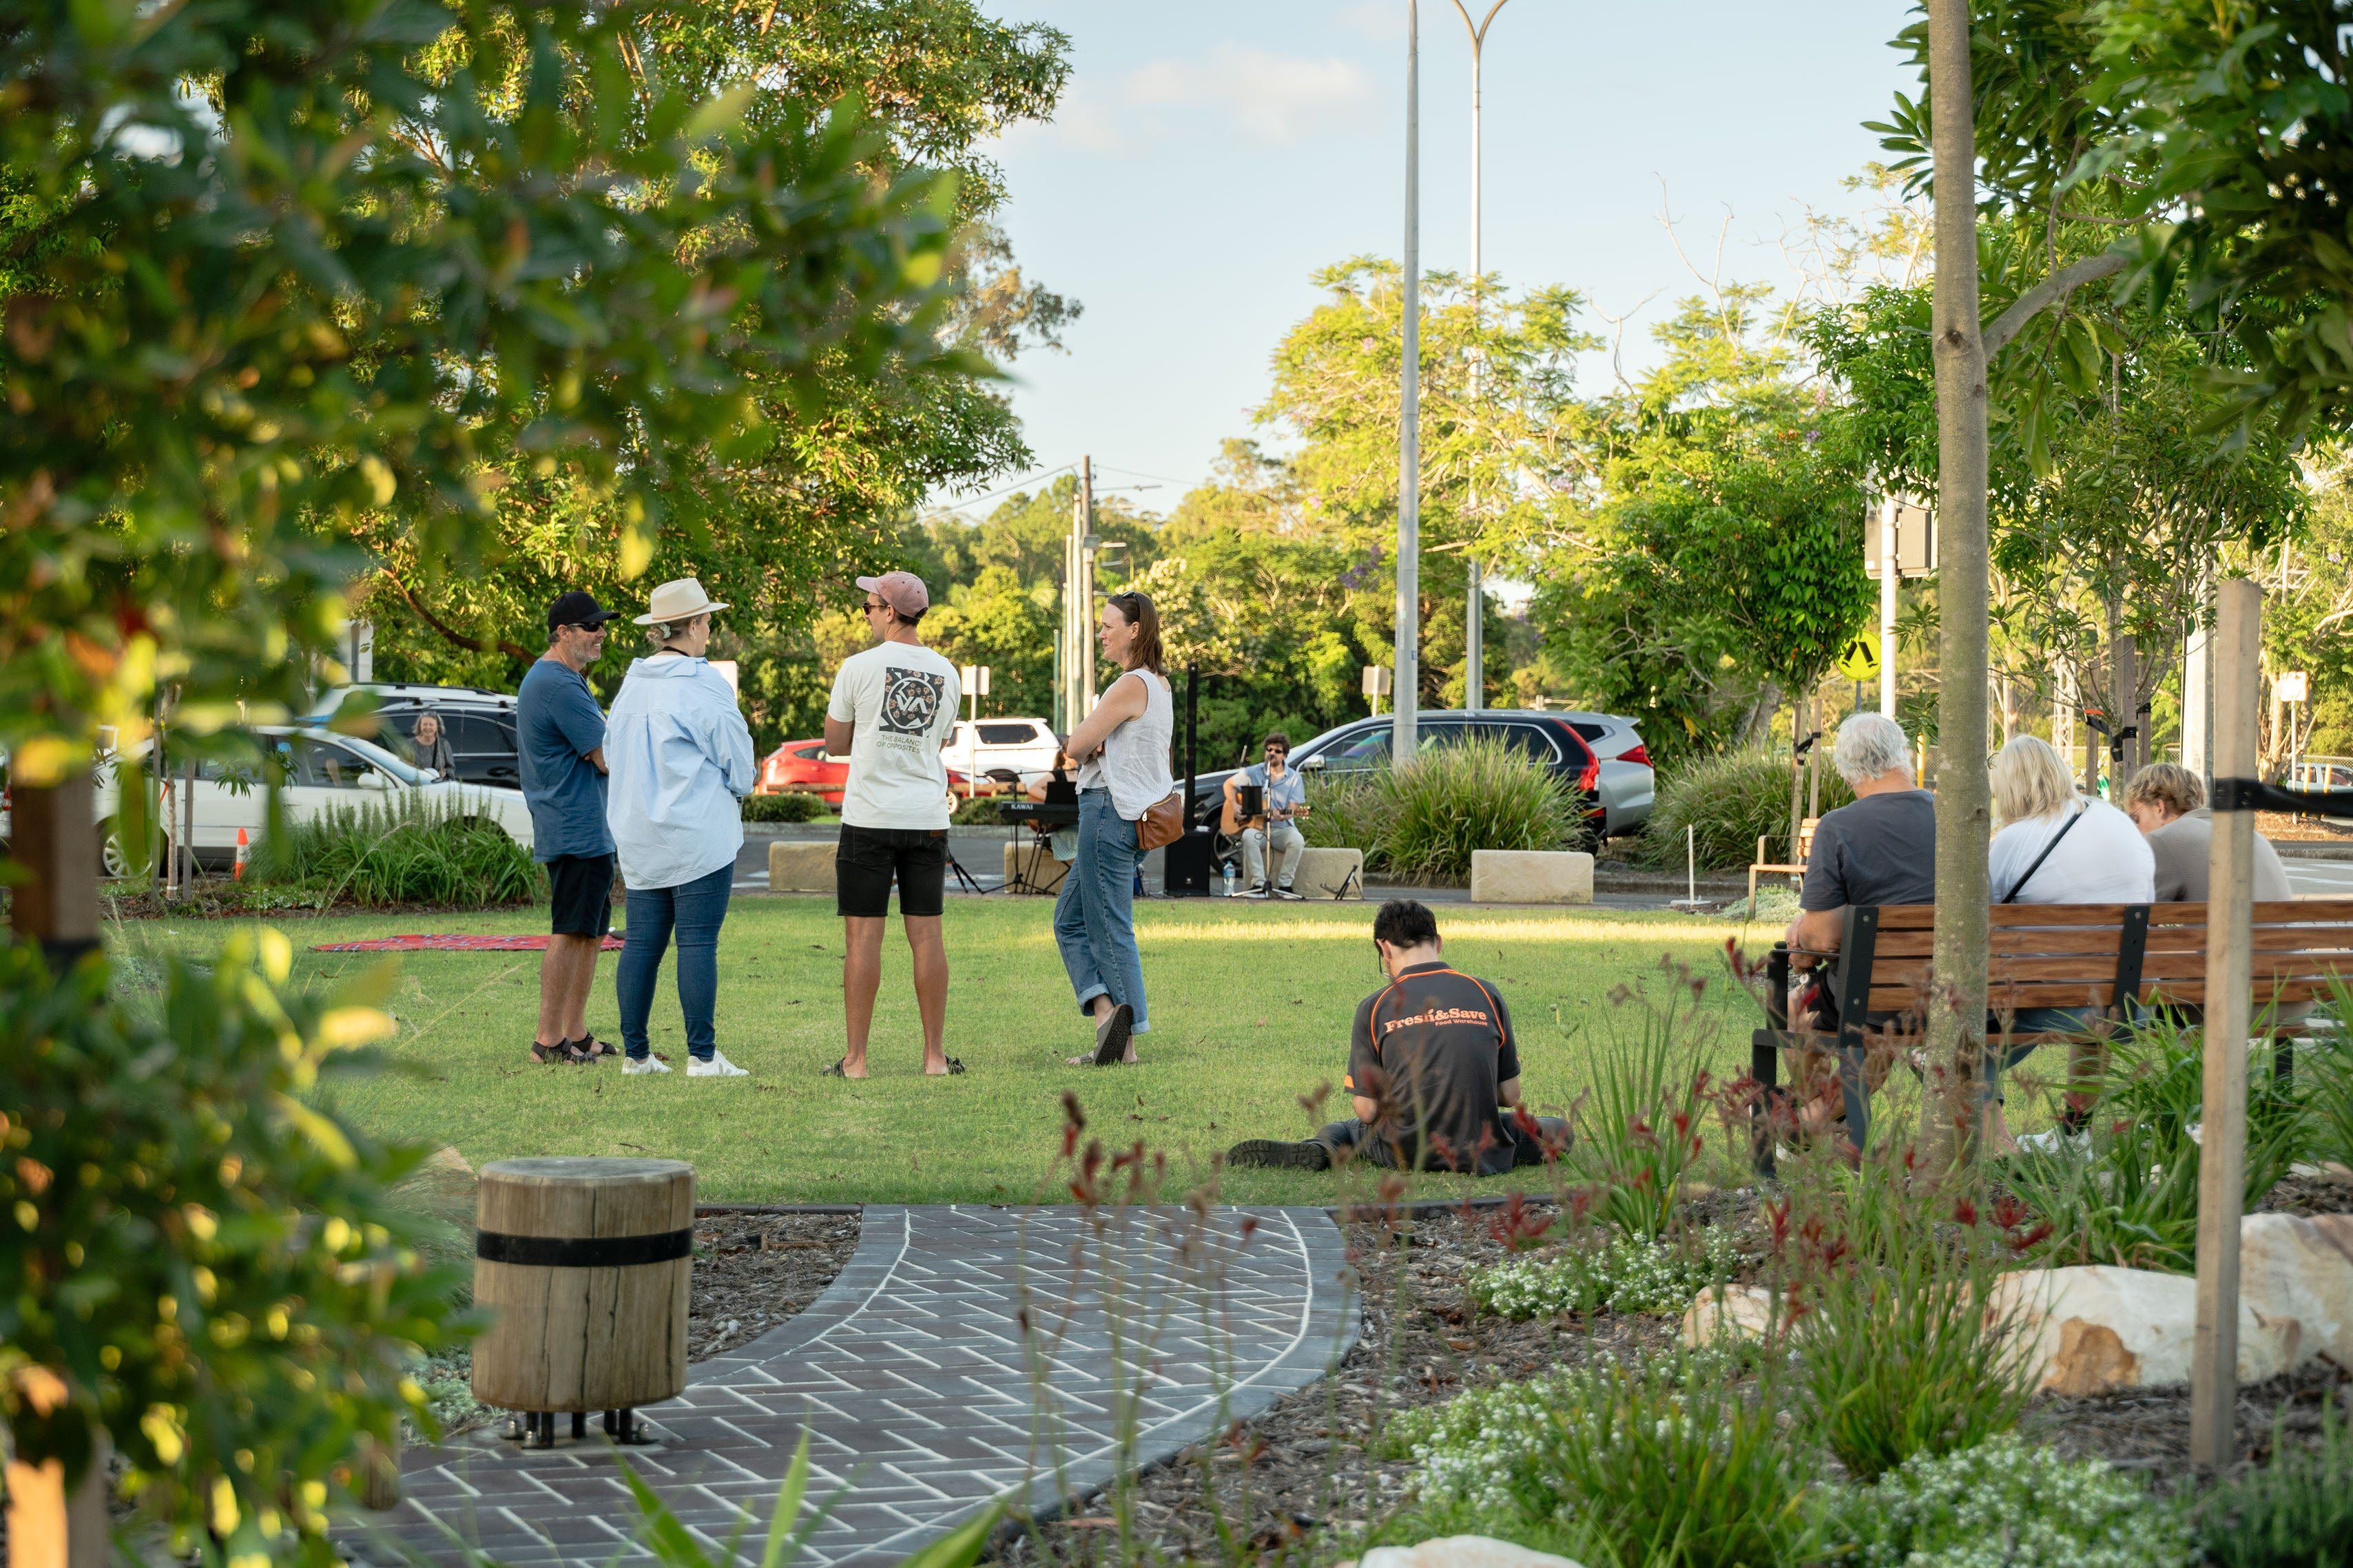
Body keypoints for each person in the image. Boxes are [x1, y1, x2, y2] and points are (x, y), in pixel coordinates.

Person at [1225, 899, 1566, 1173]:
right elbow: (1510, 1093)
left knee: (1347, 1130)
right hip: (1481, 1147)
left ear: (1385, 949)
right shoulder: (1485, 992)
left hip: (1404, 1150)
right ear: (1438, 943)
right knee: (1556, 1127)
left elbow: (1368, 1111)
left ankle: (1320, 1149)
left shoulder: (1374, 1006)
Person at [605, 577, 757, 1078]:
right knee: (697, 941)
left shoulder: (632, 684)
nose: (711, 628)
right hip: (696, 830)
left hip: (639, 830)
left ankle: (636, 1054)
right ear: (691, 625)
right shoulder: (702, 681)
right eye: (707, 620)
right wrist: (739, 786)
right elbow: (737, 758)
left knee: (642, 943)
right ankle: (703, 1055)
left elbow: (612, 753)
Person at [1980, 735, 2157, 1147]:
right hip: (2130, 1002)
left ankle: (1999, 1148)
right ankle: (2075, 1137)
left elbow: (1983, 928)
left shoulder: (2010, 841)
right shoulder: (2115, 819)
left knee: (1967, 1031)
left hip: (2068, 1002)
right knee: (2089, 988)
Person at [824, 570, 962, 1079]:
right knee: (927, 938)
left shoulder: (858, 667)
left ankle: (856, 1061)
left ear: (888, 611)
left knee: (863, 940)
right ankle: (934, 1058)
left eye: (867, 606)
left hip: (869, 816)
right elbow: (940, 741)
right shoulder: (948, 671)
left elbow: (836, 744)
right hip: (926, 816)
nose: (865, 613)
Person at [1779, 711, 1937, 1135]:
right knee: (1873, 1037)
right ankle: (1817, 1121)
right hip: (1953, 992)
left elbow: (1824, 939)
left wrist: (1800, 935)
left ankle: (1809, 1123)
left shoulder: (1839, 827)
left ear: (1847, 770)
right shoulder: (1954, 818)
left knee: (1800, 1009)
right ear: (1904, 754)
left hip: (1874, 999)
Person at [1057, 589, 1173, 1067]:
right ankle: (1108, 1016)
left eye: (1108, 625)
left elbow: (1076, 744)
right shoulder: (1160, 685)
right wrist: (1095, 743)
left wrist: (1088, 741)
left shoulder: (1128, 684)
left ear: (1135, 630)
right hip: (1135, 816)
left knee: (1110, 928)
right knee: (1069, 920)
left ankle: (1123, 1045)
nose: (1101, 632)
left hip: (1107, 813)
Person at [517, 590, 622, 1065]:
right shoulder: (557, 683)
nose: (602, 633)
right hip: (575, 825)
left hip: (584, 827)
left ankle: (575, 1033)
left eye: (603, 624)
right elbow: (605, 758)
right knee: (569, 930)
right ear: (563, 632)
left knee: (589, 932)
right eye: (592, 626)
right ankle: (547, 1038)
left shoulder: (563, 677)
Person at [2124, 762, 2292, 903]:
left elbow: (2138, 919)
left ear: (2159, 808)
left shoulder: (2161, 839)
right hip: (2287, 941)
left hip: (2233, 943)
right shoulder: (2248, 834)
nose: (2136, 830)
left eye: (2136, 818)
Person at [1226, 731, 1310, 899]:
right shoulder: (1254, 772)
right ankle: (1259, 885)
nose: (1272, 753)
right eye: (1269, 749)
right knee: (1249, 836)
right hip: (1259, 827)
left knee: (1297, 841)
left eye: (1277, 751)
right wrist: (1235, 806)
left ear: (1285, 755)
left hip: (1282, 828)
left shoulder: (1294, 778)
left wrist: (1283, 815)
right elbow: (1228, 784)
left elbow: (1293, 808)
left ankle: (1285, 885)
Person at [411, 711, 457, 779]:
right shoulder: (410, 744)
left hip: (437, 785)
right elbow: (402, 768)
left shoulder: (443, 744)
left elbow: (451, 768)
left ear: (437, 727)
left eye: (431, 725)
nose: (428, 727)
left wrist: (445, 773)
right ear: (419, 726)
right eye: (425, 724)